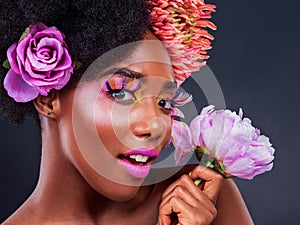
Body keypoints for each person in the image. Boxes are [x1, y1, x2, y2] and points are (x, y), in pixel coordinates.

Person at [0, 0, 254, 224]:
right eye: (121, 92)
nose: (155, 126)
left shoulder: (200, 197)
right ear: (48, 99)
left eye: (164, 102)